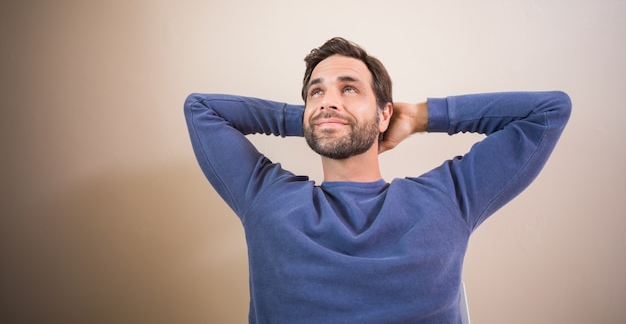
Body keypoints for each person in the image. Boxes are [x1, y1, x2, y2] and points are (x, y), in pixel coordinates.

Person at [184, 37, 571, 324]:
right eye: (315, 92)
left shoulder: (446, 199)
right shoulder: (267, 200)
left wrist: (420, 116)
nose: (327, 100)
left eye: (348, 88)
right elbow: (200, 108)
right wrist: (315, 119)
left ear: (385, 114)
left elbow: (550, 110)